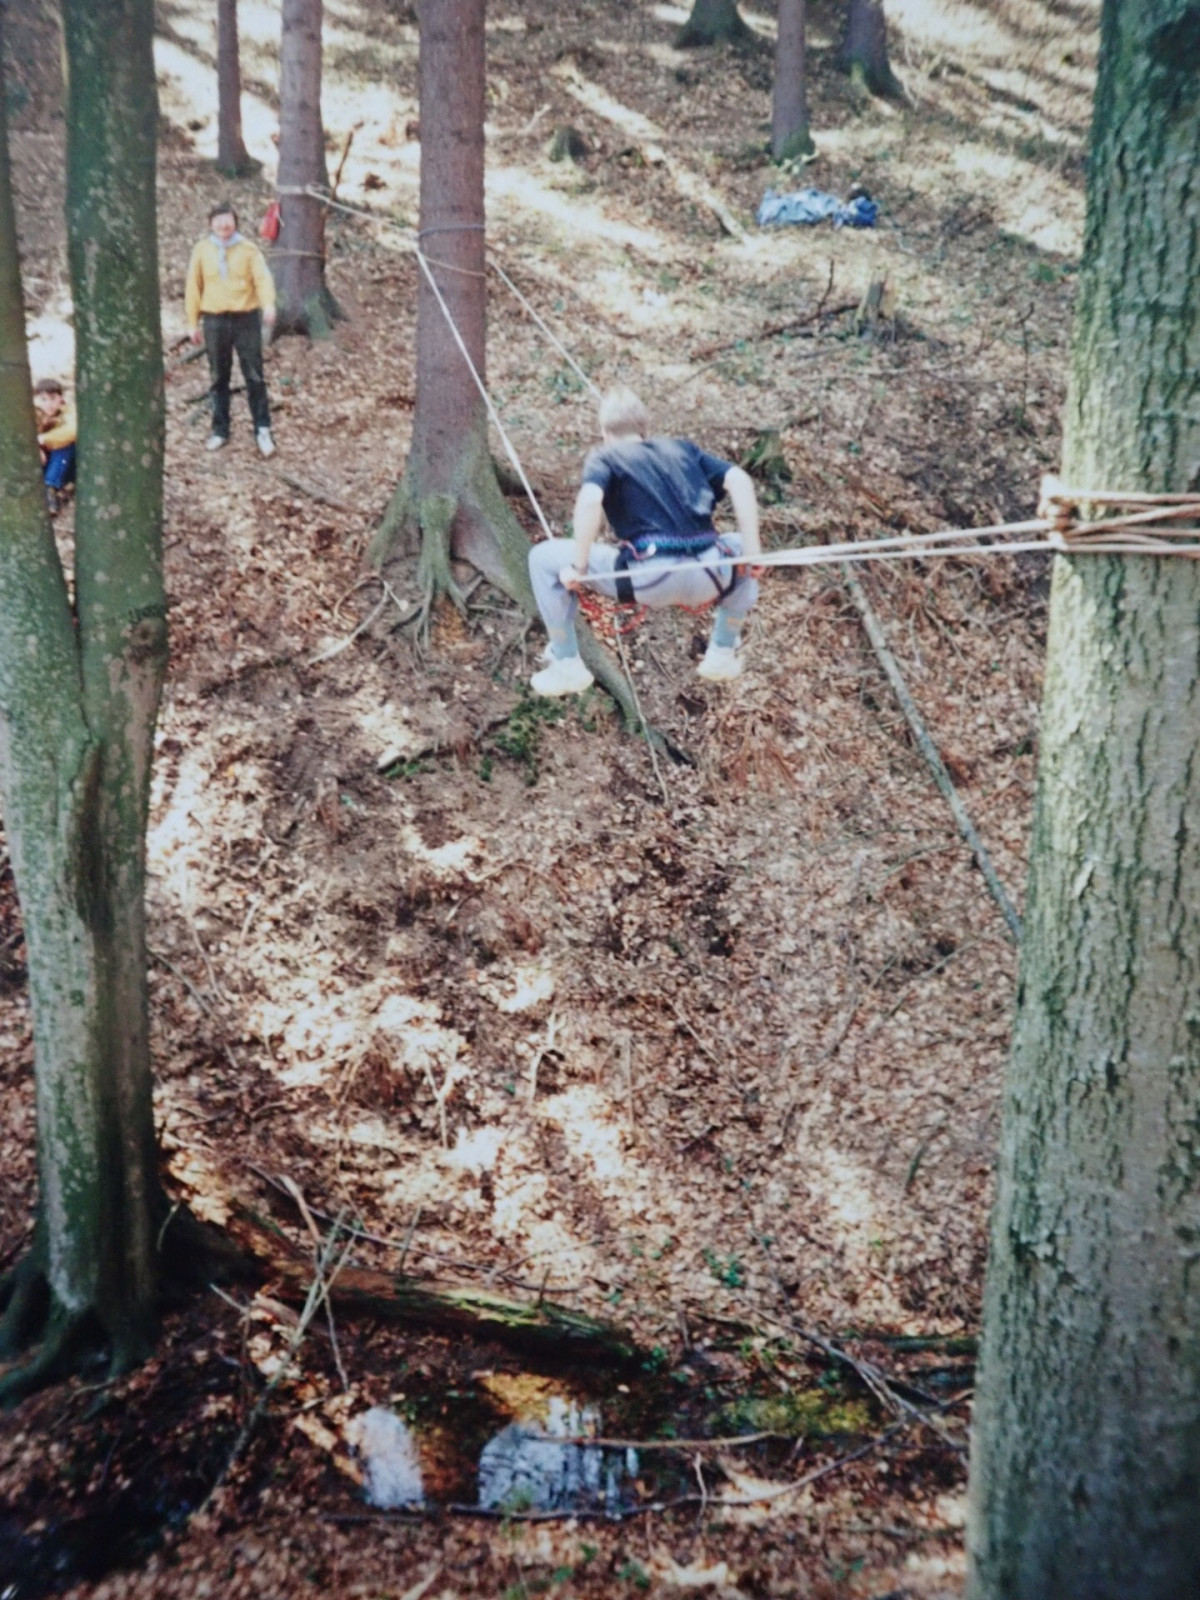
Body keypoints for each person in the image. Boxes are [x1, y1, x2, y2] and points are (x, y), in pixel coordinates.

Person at [528, 386, 763, 696]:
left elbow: (589, 500)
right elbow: (740, 480)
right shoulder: (683, 449)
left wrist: (579, 566)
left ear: (604, 432)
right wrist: (754, 553)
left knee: (542, 558)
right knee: (738, 544)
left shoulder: (605, 456)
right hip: (713, 572)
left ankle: (566, 662)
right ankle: (721, 650)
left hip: (648, 577)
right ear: (645, 428)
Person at [185, 201, 277, 457]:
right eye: (218, 221)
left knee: (254, 376)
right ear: (211, 224)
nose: (224, 225)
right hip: (214, 320)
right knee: (218, 377)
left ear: (235, 222)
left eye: (228, 220)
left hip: (245, 318)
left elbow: (262, 279)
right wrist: (192, 322)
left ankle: (262, 428)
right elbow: (193, 286)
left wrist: (268, 304)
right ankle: (220, 429)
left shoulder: (248, 249)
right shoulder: (202, 250)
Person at [34, 377, 76, 509]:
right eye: (43, 399)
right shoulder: (33, 414)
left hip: (64, 463)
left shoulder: (68, 412)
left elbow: (72, 431)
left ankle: (50, 489)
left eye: (53, 399)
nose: (48, 404)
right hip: (43, 462)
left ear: (60, 399)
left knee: (64, 445)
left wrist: (43, 440)